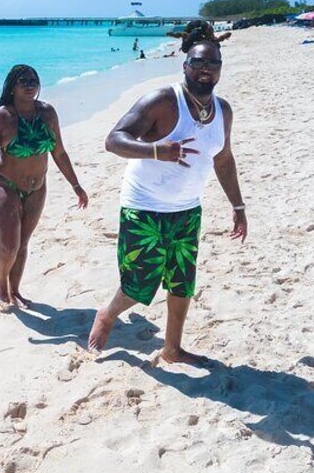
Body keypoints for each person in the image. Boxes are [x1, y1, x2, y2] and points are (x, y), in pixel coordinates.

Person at [87, 38, 247, 364]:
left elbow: (224, 160)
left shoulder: (222, 111)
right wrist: (158, 150)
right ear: (185, 64)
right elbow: (113, 140)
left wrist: (238, 206)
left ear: (219, 70)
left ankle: (172, 349)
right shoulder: (162, 100)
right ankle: (107, 313)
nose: (205, 69)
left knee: (182, 282)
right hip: (143, 206)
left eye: (213, 64)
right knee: (138, 284)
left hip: (187, 210)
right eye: (198, 62)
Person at [0, 64, 89, 307]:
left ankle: (15, 290)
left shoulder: (47, 113)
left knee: (23, 243)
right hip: (4, 186)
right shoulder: (0, 118)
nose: (29, 85)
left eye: (33, 81)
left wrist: (76, 185)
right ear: (12, 87)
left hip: (38, 188)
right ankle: (1, 283)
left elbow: (59, 152)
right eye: (23, 81)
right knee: (8, 246)